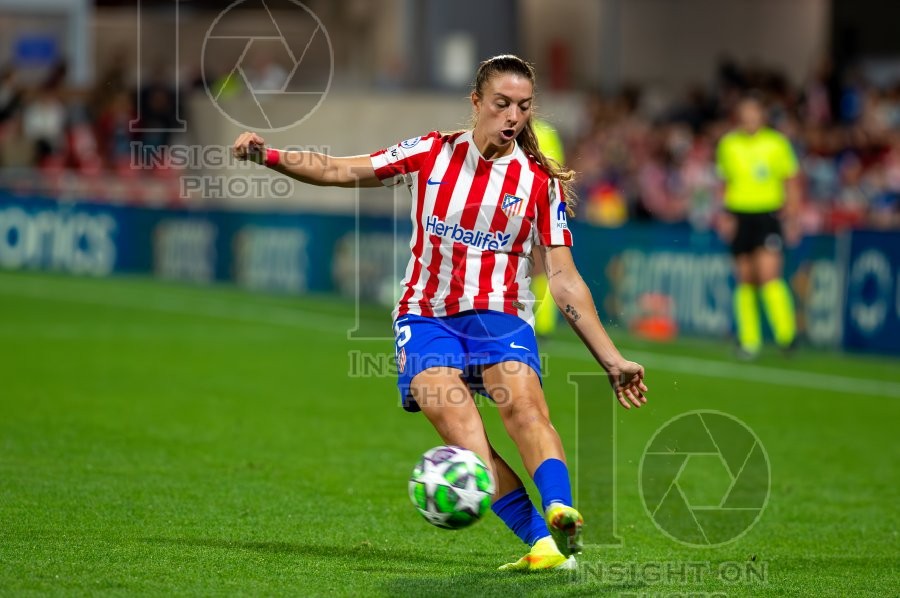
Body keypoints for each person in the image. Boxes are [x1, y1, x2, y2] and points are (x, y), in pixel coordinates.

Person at [232, 54, 648, 571]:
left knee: (524, 410)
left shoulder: (538, 183)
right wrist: (269, 155)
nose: (512, 117)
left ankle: (560, 506)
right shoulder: (431, 152)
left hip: (499, 315)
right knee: (466, 440)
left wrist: (611, 358)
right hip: (425, 317)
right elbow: (339, 169)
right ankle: (544, 544)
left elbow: (564, 277)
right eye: (501, 104)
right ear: (476, 102)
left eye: (523, 107)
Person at [716, 95, 800, 359]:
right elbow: (724, 182)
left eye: (754, 112)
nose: (749, 118)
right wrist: (725, 216)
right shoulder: (729, 144)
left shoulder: (776, 143)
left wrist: (793, 216)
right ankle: (749, 341)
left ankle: (786, 336)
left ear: (762, 116)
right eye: (745, 113)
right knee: (745, 278)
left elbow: (791, 180)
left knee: (769, 275)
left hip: (767, 215)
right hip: (739, 214)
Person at [530, 118, 565, 340]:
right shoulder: (548, 131)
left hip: (527, 201)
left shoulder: (513, 129)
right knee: (546, 265)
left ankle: (539, 322)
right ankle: (544, 323)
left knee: (537, 265)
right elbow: (558, 166)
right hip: (547, 201)